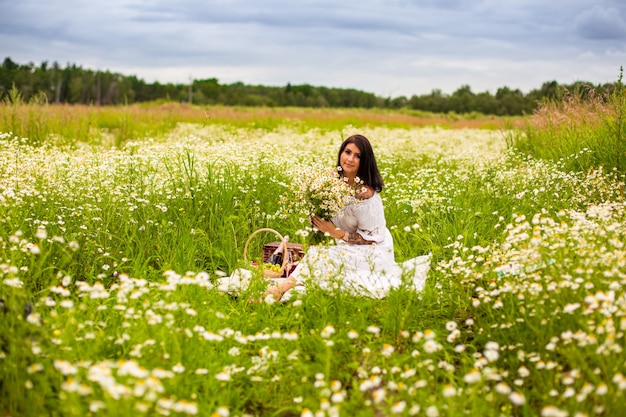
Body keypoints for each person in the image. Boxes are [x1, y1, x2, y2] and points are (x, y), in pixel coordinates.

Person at [264, 134, 430, 302]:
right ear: (341, 153)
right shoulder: (332, 180)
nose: (350, 159)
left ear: (364, 162)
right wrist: (316, 215)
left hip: (374, 251)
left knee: (321, 257)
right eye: (347, 152)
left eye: (357, 156)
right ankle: (294, 285)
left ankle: (280, 288)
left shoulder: (364, 193)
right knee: (318, 255)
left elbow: (372, 238)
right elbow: (326, 212)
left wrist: (334, 232)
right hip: (348, 246)